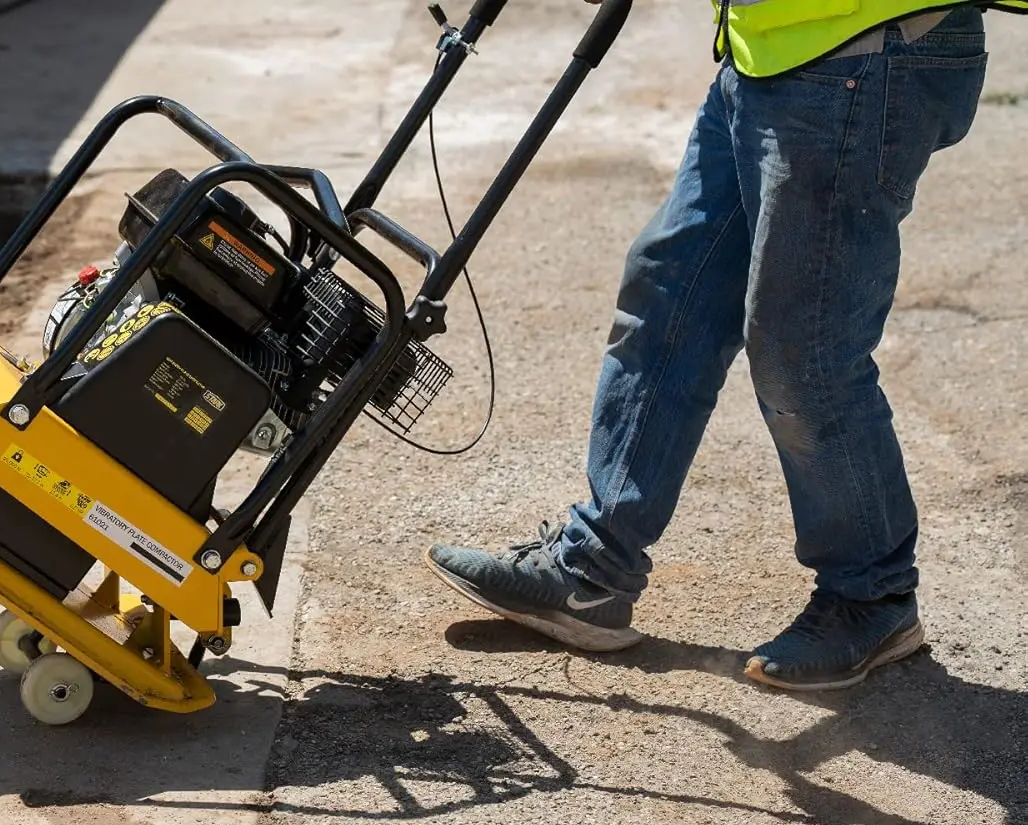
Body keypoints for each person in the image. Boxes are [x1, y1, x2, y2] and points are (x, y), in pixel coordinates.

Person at [426, 0, 1005, 691]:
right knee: (669, 292)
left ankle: (872, 597)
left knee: (804, 346)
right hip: (770, 49)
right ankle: (593, 572)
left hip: (865, 49)